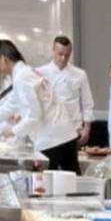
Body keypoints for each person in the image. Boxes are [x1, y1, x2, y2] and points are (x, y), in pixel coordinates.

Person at [0, 39, 77, 160]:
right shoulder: (23, 73)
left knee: (55, 177)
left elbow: (34, 115)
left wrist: (13, 131)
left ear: (4, 59)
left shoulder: (22, 76)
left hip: (54, 138)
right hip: (61, 134)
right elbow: (11, 104)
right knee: (70, 175)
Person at [37, 35, 94, 163]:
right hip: (48, 129)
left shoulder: (80, 74)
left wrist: (87, 128)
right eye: (60, 54)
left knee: (71, 168)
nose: (63, 58)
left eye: (67, 55)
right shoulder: (40, 72)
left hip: (72, 129)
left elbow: (87, 102)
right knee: (48, 168)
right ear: (53, 51)